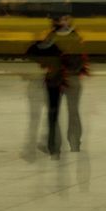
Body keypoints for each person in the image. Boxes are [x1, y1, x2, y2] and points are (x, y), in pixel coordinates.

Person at [36, 14, 89, 160]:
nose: (64, 22)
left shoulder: (73, 37)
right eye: (62, 19)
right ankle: (55, 146)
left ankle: (73, 143)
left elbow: (80, 59)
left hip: (67, 79)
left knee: (71, 111)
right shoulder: (52, 37)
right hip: (57, 79)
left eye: (66, 19)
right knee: (56, 113)